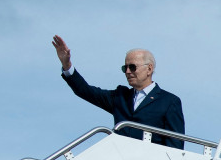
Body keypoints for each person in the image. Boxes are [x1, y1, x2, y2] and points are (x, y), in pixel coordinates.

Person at [51, 35, 186, 149]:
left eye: (132, 67)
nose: (127, 72)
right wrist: (67, 66)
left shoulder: (169, 102)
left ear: (149, 69)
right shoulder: (120, 96)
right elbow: (85, 91)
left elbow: (175, 146)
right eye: (125, 68)